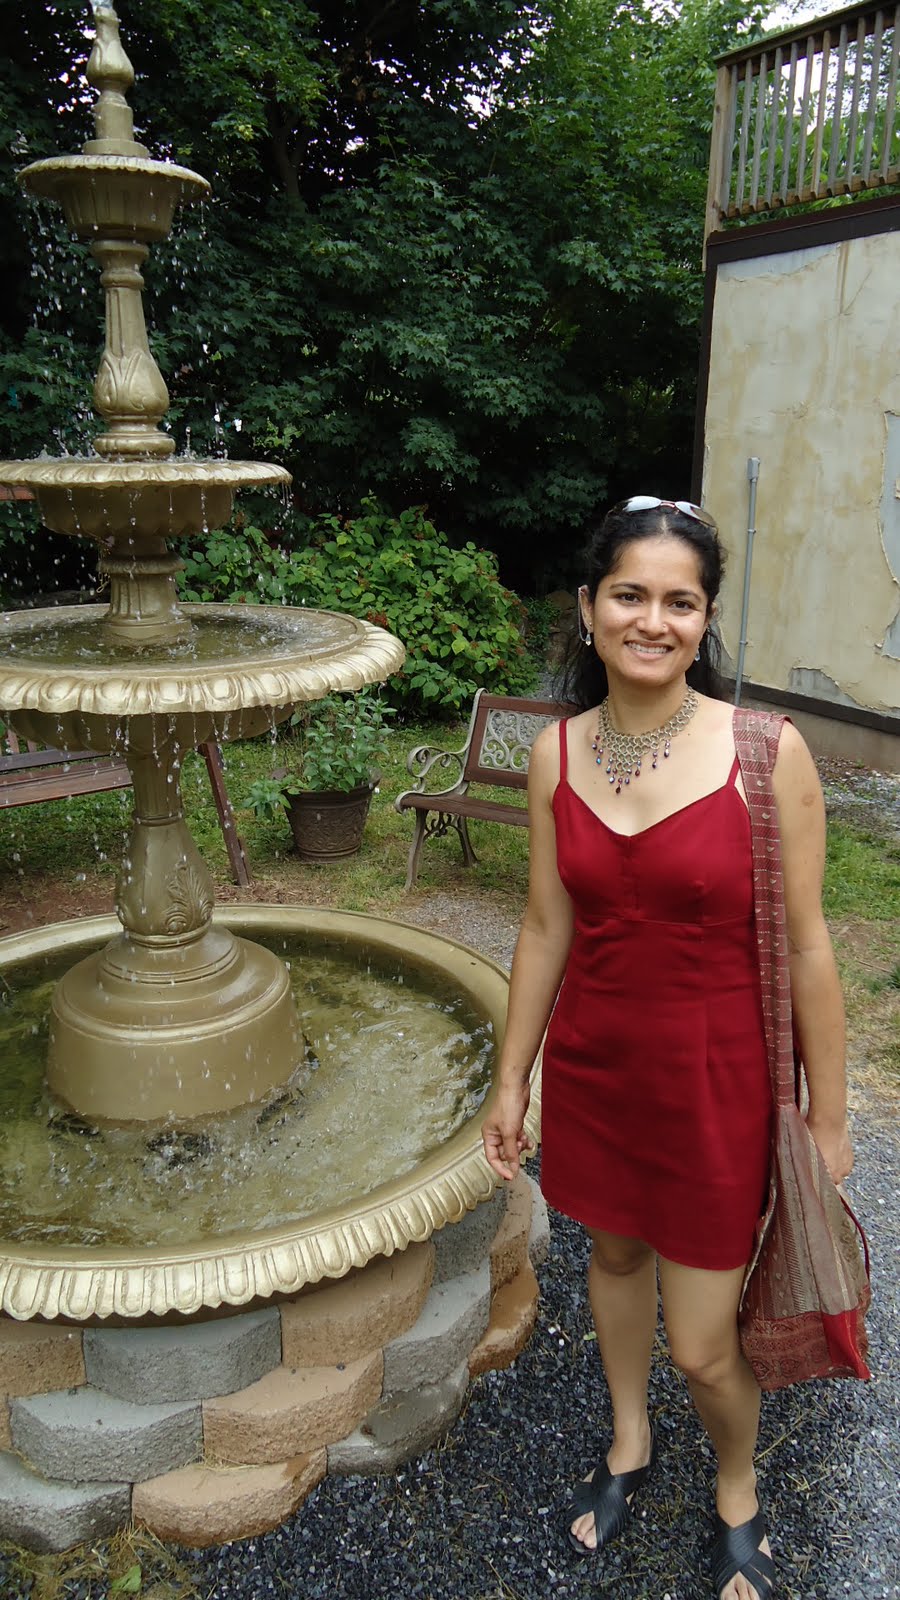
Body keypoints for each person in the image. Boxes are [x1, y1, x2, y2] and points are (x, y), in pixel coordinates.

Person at [481, 497, 853, 1600]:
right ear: (588, 608)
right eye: (630, 595)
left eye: (680, 602)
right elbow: (544, 925)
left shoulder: (765, 753)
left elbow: (811, 947)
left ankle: (737, 1483)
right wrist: (512, 1080)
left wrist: (829, 1120)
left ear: (705, 620)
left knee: (703, 1342)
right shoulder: (555, 754)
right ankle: (630, 1439)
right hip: (598, 1075)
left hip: (716, 1090)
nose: (653, 620)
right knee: (612, 1260)